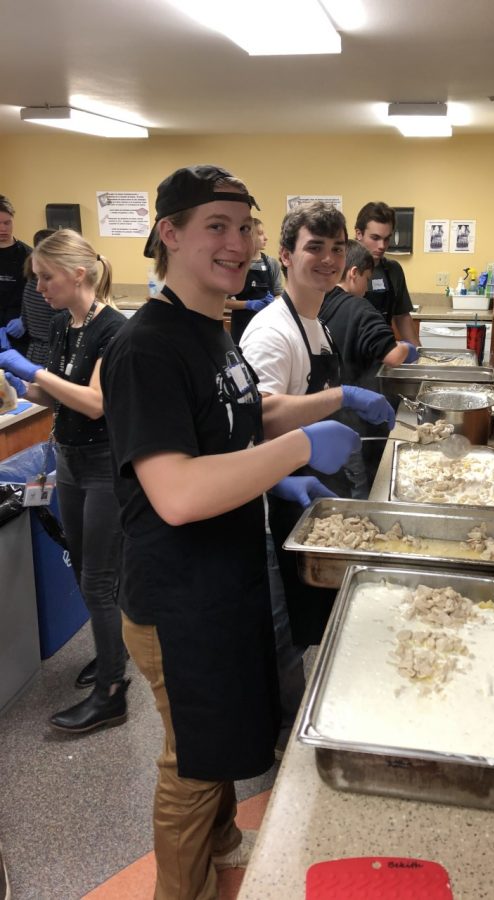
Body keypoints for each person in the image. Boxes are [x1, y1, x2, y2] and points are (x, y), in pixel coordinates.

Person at [99, 165, 360, 900]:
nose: (237, 242)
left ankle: (221, 844)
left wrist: (333, 404)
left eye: (245, 227)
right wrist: (300, 453)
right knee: (190, 762)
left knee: (213, 744)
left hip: (224, 579)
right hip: (176, 597)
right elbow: (177, 493)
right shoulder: (146, 347)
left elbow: (248, 415)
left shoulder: (214, 329)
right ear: (168, 233)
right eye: (216, 226)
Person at [240, 201, 396, 648]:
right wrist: (343, 396)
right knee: (298, 632)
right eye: (314, 248)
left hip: (316, 489)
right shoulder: (273, 331)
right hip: (284, 496)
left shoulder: (317, 321)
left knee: (325, 627)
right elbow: (261, 415)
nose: (329, 259)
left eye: (337, 248)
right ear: (286, 255)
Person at [0, 229, 129, 732]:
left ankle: (113, 691)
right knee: (83, 569)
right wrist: (24, 385)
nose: (39, 287)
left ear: (78, 274)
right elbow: (59, 396)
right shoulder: (62, 326)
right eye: (35, 279)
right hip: (69, 460)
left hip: (104, 463)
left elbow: (96, 402)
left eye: (46, 277)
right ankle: (112, 651)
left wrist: (33, 369)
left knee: (98, 579)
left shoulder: (113, 329)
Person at [320, 239, 418, 495]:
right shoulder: (359, 307)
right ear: (353, 274)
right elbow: (393, 356)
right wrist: (409, 347)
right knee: (360, 489)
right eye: (366, 278)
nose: (366, 288)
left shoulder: (320, 300)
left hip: (322, 420)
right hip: (351, 422)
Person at [354, 200, 418, 345]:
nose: (382, 246)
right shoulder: (340, 267)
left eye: (387, 239)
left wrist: (419, 356)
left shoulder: (393, 270)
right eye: (375, 238)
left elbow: (402, 316)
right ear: (359, 233)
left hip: (383, 351)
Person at [224, 217, 283, 344]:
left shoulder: (272, 264)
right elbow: (223, 302)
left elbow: (279, 294)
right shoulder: (236, 264)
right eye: (260, 234)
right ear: (249, 237)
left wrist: (273, 302)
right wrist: (249, 304)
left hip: (268, 326)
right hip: (242, 327)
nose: (266, 238)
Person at [18, 228, 59, 365]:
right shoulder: (53, 288)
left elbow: (25, 320)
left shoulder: (30, 282)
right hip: (54, 351)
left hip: (34, 351)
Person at [0, 195, 31, 355]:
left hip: (20, 333)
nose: (3, 229)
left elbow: (39, 296)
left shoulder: (29, 256)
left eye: (7, 223)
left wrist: (25, 320)